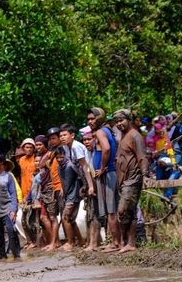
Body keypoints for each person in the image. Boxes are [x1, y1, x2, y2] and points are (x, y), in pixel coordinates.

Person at [113, 109, 151, 253]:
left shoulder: (135, 136)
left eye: (121, 120)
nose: (119, 124)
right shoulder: (123, 136)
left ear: (128, 120)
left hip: (133, 178)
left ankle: (129, 242)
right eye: (116, 122)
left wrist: (145, 175)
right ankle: (127, 242)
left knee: (122, 211)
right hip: (123, 179)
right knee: (130, 211)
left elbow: (142, 157)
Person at [88, 107, 120, 251]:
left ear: (99, 118)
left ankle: (115, 243)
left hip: (106, 174)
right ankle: (115, 241)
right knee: (110, 210)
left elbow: (106, 149)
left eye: (92, 119)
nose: (89, 122)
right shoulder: (107, 131)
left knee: (111, 210)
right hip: (109, 173)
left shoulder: (101, 132)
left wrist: (101, 168)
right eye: (88, 119)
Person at [54, 146, 82, 251]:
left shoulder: (71, 165)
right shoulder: (58, 167)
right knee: (71, 220)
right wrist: (62, 189)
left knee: (65, 217)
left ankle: (71, 242)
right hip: (67, 195)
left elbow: (81, 175)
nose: (59, 159)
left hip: (74, 195)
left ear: (65, 155)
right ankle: (80, 241)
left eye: (61, 157)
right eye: (57, 157)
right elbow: (63, 181)